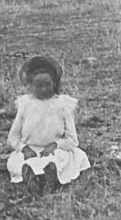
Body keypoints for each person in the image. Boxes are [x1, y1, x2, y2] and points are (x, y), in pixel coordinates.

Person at [6, 56, 90, 195]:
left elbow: (72, 140)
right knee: (17, 162)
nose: (44, 89)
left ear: (54, 84)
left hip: (54, 150)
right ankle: (31, 178)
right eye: (39, 86)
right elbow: (13, 138)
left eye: (47, 85)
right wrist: (24, 148)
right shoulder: (25, 105)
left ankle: (50, 177)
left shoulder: (63, 105)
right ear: (31, 87)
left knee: (62, 160)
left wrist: (55, 145)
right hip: (31, 151)